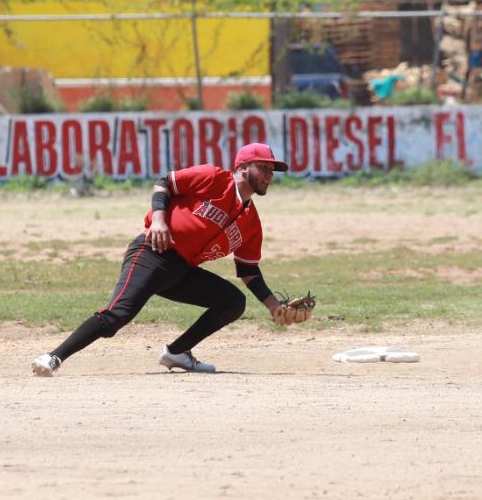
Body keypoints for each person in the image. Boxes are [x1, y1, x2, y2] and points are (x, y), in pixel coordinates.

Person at [31, 142, 306, 376]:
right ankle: (53, 357)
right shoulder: (214, 178)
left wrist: (273, 306)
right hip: (152, 252)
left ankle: (177, 353)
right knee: (117, 316)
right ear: (243, 167)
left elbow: (248, 269)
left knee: (233, 302)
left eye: (272, 170)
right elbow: (165, 183)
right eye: (264, 167)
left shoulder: (251, 222)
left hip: (182, 272)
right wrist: (159, 220)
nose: (269, 175)